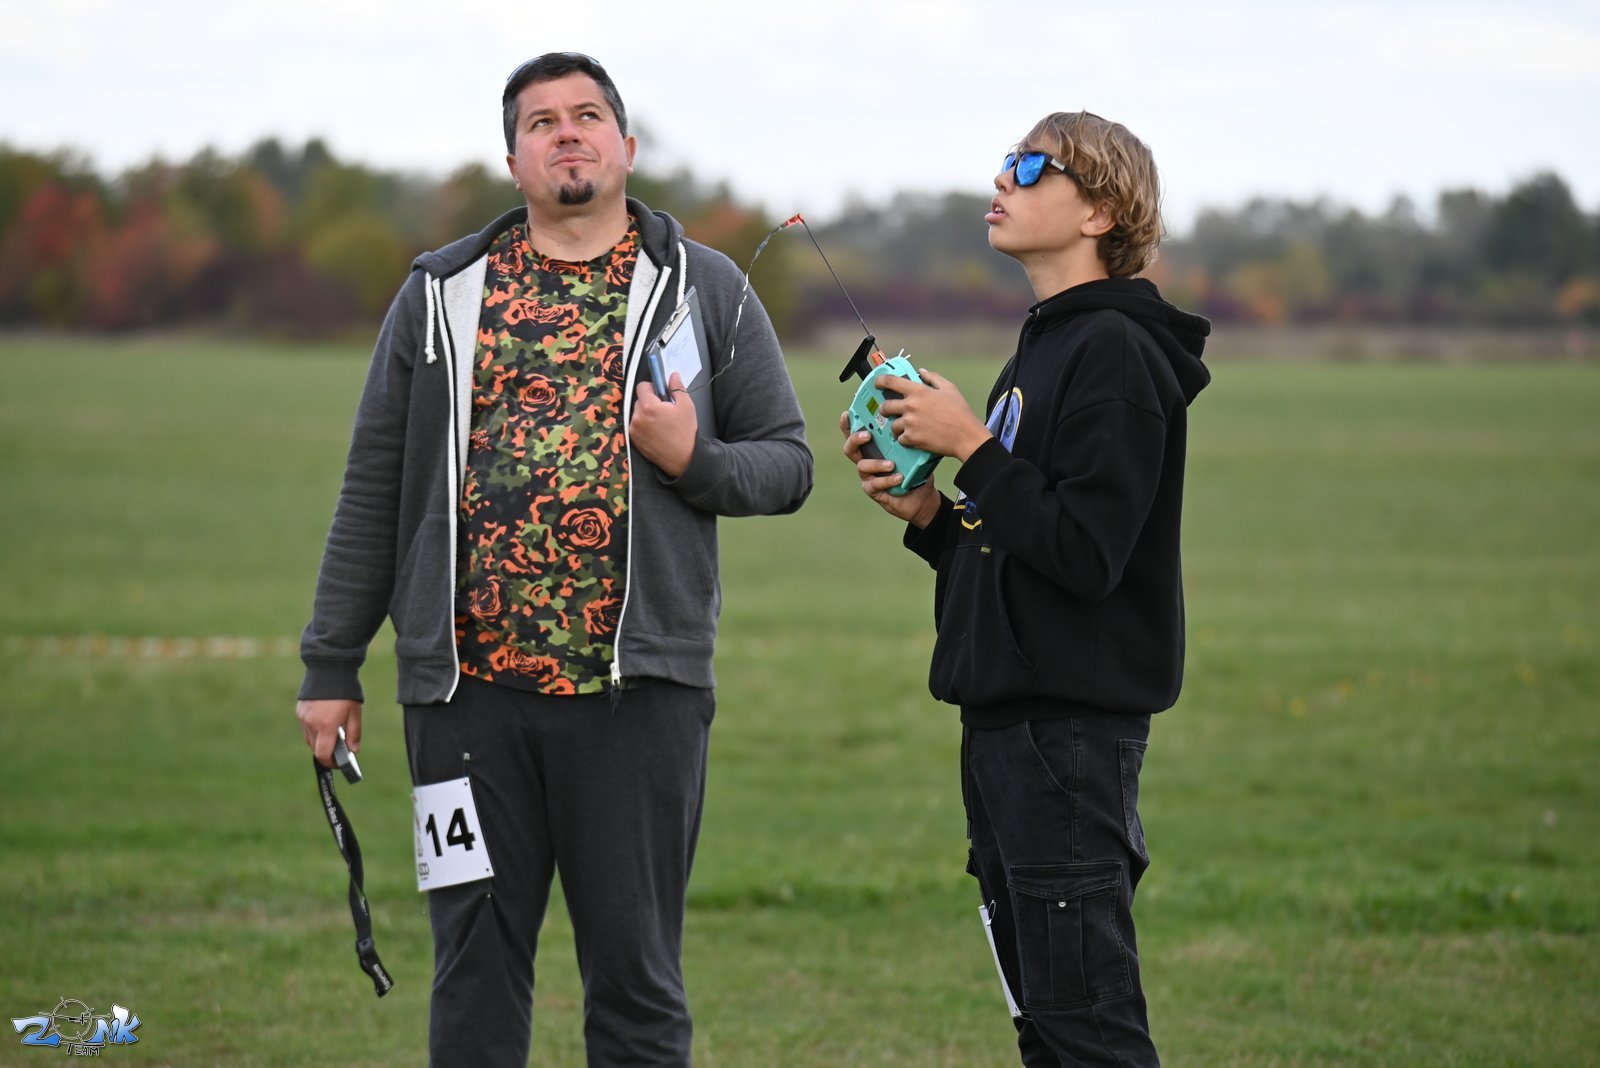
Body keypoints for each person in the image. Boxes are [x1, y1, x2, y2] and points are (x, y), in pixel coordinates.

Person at [295, 51, 813, 1067]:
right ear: (513, 160)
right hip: (462, 703)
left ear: (626, 146)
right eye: (541, 122)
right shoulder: (439, 295)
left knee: (636, 981)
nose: (566, 133)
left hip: (639, 701)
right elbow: (373, 488)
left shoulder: (704, 288)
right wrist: (330, 664)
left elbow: (788, 463)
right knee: (472, 972)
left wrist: (695, 459)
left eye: (586, 116)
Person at [841, 111, 1210, 1066]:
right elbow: (1017, 550)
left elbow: (1087, 554)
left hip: (1066, 741)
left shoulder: (1114, 350)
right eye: (1006, 161)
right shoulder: (1040, 349)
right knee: (1044, 1029)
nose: (1002, 178)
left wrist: (971, 444)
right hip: (1008, 732)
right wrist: (930, 514)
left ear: (1100, 211)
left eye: (1032, 166)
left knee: (1088, 1034)